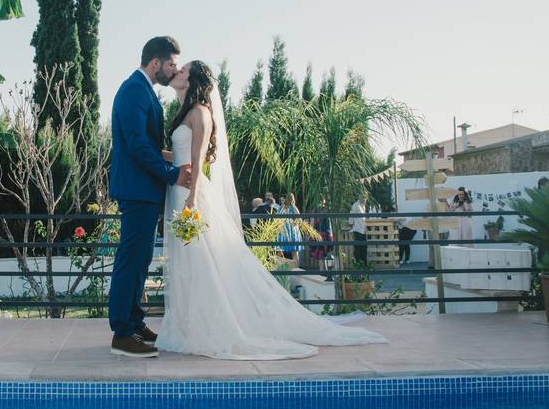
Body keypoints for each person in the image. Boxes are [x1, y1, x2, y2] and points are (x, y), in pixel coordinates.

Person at [155, 60, 386, 359]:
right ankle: (188, 326)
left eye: (184, 70)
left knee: (201, 262)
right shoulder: (184, 112)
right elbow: (181, 156)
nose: (178, 72)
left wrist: (191, 199)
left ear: (195, 80)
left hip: (191, 192)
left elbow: (199, 160)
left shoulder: (200, 113)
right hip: (180, 188)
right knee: (188, 262)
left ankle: (209, 328)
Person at [108, 36, 192, 358]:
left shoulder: (145, 92)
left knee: (140, 260)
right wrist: (172, 174)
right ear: (155, 63)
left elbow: (149, 145)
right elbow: (137, 145)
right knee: (130, 260)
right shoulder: (133, 90)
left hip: (145, 190)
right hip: (136, 190)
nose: (173, 69)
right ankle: (122, 333)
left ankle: (135, 321)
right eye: (171, 63)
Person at [276, 193, 303, 260]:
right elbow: (299, 219)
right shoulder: (293, 208)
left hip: (284, 230)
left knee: (280, 250)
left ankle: (278, 268)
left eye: (283, 200)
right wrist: (294, 222)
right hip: (291, 231)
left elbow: (276, 219)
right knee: (294, 252)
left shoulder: (281, 208)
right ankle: (295, 268)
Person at [348, 194, 370, 265]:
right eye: (363, 197)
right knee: (358, 249)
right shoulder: (355, 205)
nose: (364, 199)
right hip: (357, 230)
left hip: (363, 230)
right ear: (359, 197)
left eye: (365, 198)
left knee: (364, 248)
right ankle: (359, 264)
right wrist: (350, 225)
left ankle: (364, 264)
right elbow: (351, 216)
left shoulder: (363, 206)